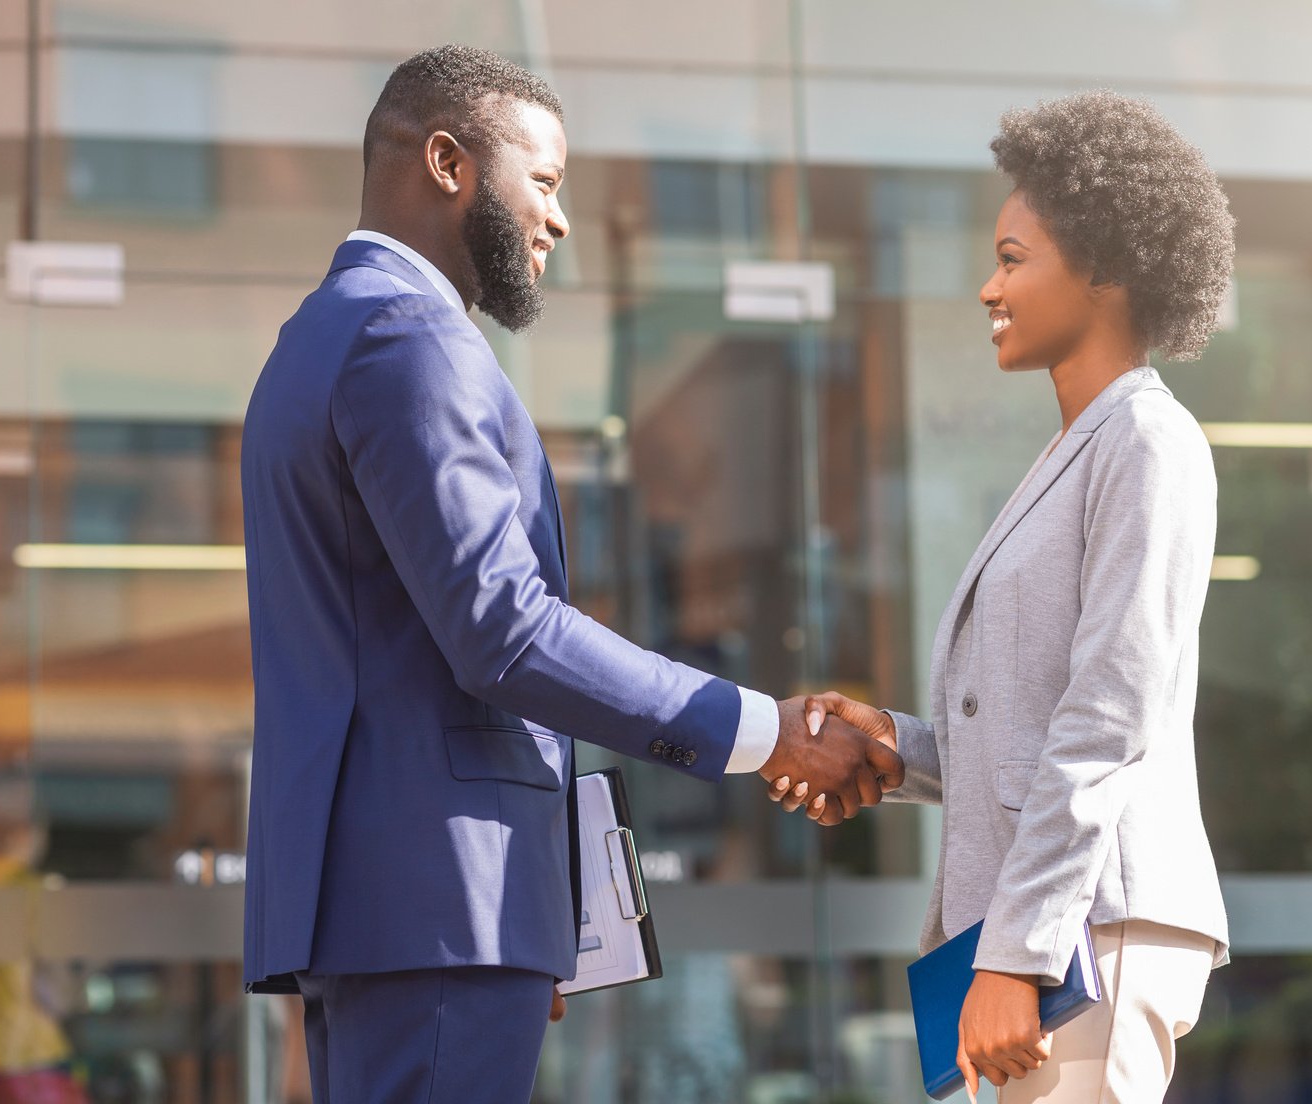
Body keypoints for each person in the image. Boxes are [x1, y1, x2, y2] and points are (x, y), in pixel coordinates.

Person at [238, 44, 902, 1104]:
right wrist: (766, 730)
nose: (556, 222)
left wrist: (533, 901)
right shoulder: (406, 337)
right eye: (542, 182)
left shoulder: (315, 339)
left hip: (418, 908)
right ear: (449, 161)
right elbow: (503, 628)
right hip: (441, 906)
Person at [772, 91, 1234, 1102]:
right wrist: (896, 746)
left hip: (1086, 938)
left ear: (1104, 266)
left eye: (1015, 258)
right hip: (1047, 933)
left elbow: (1109, 718)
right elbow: (1026, 726)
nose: (989, 286)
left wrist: (1019, 952)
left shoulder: (1148, 443)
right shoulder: (1076, 452)